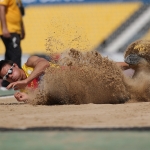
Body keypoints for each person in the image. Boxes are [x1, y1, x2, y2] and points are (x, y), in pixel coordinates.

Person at [0, 0, 25, 88]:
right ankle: (14, 84)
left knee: (9, 56)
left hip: (16, 30)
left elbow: (19, 13)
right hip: (9, 30)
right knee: (16, 55)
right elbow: (1, 8)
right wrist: (4, 28)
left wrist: (22, 29)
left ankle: (5, 84)